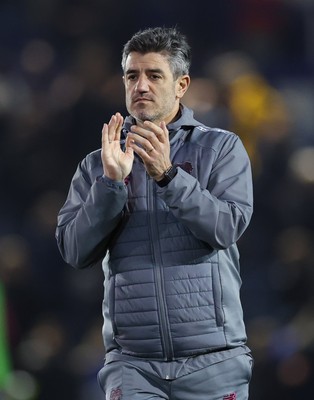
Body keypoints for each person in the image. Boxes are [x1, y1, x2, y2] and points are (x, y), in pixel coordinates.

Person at [56, 27, 254, 400]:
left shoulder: (221, 149)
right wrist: (111, 185)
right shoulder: (98, 165)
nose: (141, 85)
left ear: (182, 85)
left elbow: (226, 228)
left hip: (213, 362)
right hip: (133, 366)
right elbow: (74, 251)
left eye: (154, 75)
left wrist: (168, 176)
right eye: (132, 75)